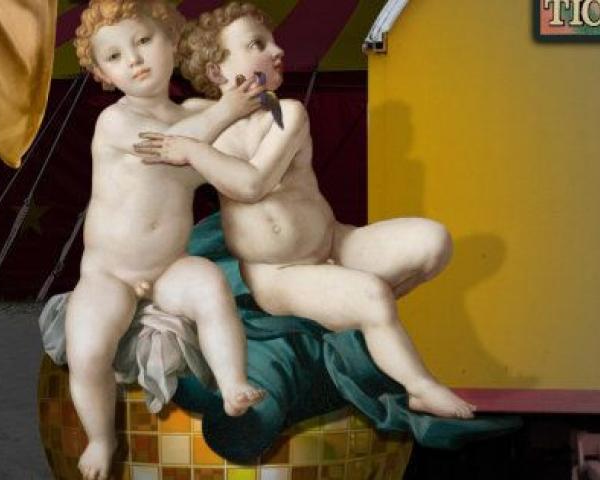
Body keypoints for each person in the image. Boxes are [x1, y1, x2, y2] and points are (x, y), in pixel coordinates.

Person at [134, 1, 477, 422]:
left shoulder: (286, 112)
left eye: (273, 42)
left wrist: (192, 151)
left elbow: (252, 184)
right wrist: (207, 125)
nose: (277, 50)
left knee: (432, 241)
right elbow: (148, 146)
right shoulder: (198, 119)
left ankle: (348, 308)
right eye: (257, 45)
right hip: (277, 273)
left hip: (334, 243)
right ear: (217, 71)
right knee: (370, 294)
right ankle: (421, 387)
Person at [70, 1, 265, 477]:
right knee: (88, 351)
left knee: (211, 287)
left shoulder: (198, 112)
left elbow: (237, 141)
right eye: (114, 56)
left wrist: (240, 94)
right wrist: (227, 110)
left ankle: (233, 383)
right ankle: (100, 438)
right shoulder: (116, 120)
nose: (134, 60)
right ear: (101, 74)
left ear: (172, 40)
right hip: (110, 273)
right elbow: (170, 144)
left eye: (144, 41)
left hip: (168, 266)